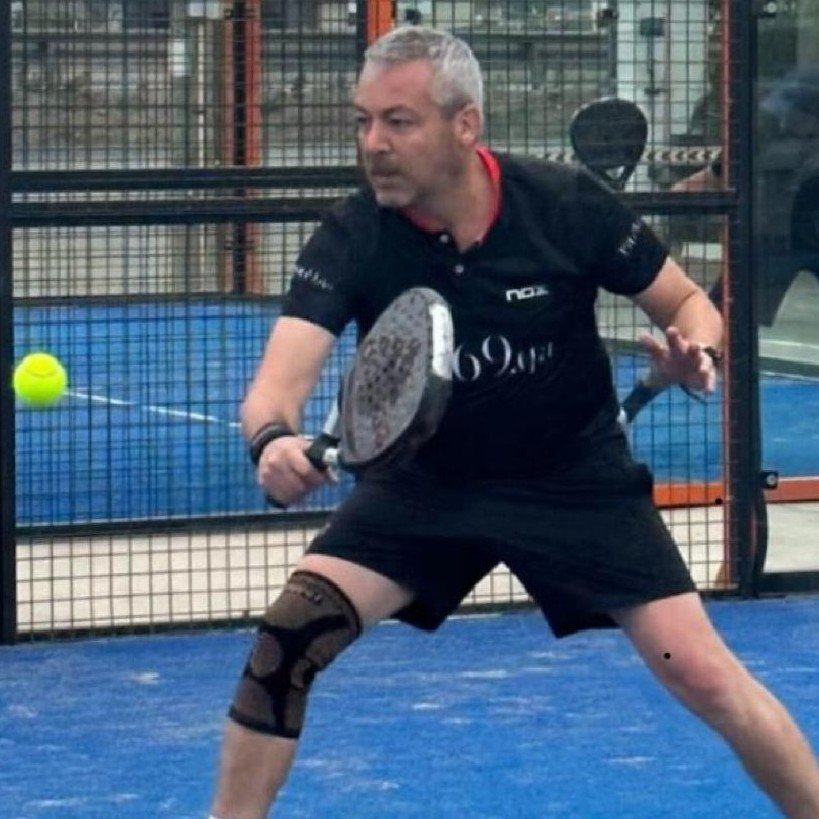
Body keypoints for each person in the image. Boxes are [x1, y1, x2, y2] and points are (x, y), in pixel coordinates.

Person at [210, 26, 819, 819]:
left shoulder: (563, 203)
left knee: (703, 673)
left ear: (464, 125)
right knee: (288, 638)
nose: (373, 143)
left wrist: (695, 351)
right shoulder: (351, 235)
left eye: (399, 121)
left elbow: (685, 303)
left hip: (573, 480)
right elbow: (271, 394)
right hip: (423, 487)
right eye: (363, 121)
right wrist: (273, 443)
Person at [623, 65, 819, 422]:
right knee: (709, 327)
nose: (788, 120)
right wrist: (652, 211)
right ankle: (632, 407)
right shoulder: (764, 140)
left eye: (799, 113)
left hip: (796, 241)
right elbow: (710, 178)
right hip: (772, 245)